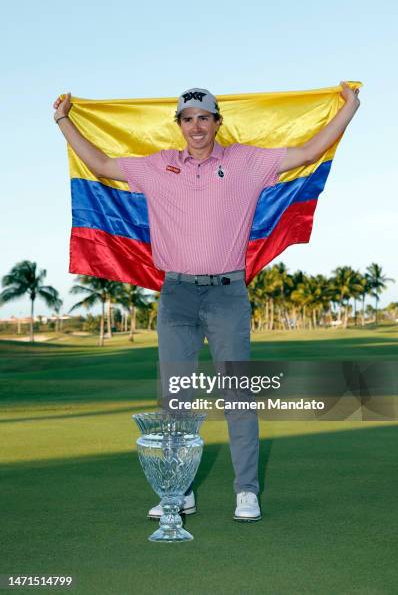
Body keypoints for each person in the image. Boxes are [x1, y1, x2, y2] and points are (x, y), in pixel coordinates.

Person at [53, 83, 360, 521]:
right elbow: (100, 163)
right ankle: (179, 491)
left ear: (218, 122)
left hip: (227, 293)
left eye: (204, 117)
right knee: (176, 399)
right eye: (187, 118)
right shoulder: (158, 166)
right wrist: (63, 120)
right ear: (178, 126)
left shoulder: (247, 162)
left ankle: (247, 491)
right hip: (176, 293)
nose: (196, 126)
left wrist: (349, 107)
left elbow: (310, 151)